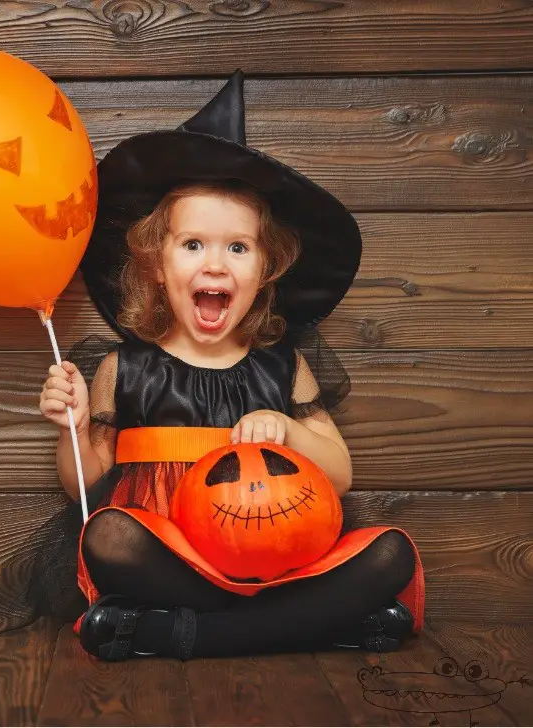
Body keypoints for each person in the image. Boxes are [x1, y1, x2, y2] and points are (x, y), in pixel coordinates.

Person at [36, 71, 425, 662]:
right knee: (107, 536)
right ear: (155, 265)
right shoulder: (126, 367)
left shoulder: (282, 367)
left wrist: (288, 428)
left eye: (237, 247)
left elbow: (339, 475)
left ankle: (177, 633)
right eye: (192, 245)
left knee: (391, 552)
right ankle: (308, 626)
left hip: (276, 550)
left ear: (266, 269)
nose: (215, 264)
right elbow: (84, 486)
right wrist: (73, 429)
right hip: (175, 557)